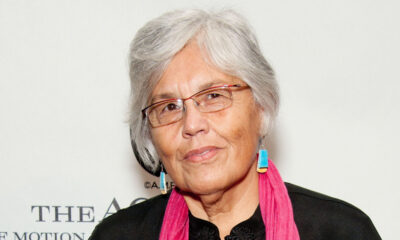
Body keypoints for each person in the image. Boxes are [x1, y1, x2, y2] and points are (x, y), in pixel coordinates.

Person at [89, 9, 381, 240]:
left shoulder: (339, 231)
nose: (192, 124)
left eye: (214, 95)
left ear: (261, 106)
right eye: (168, 107)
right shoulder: (118, 235)